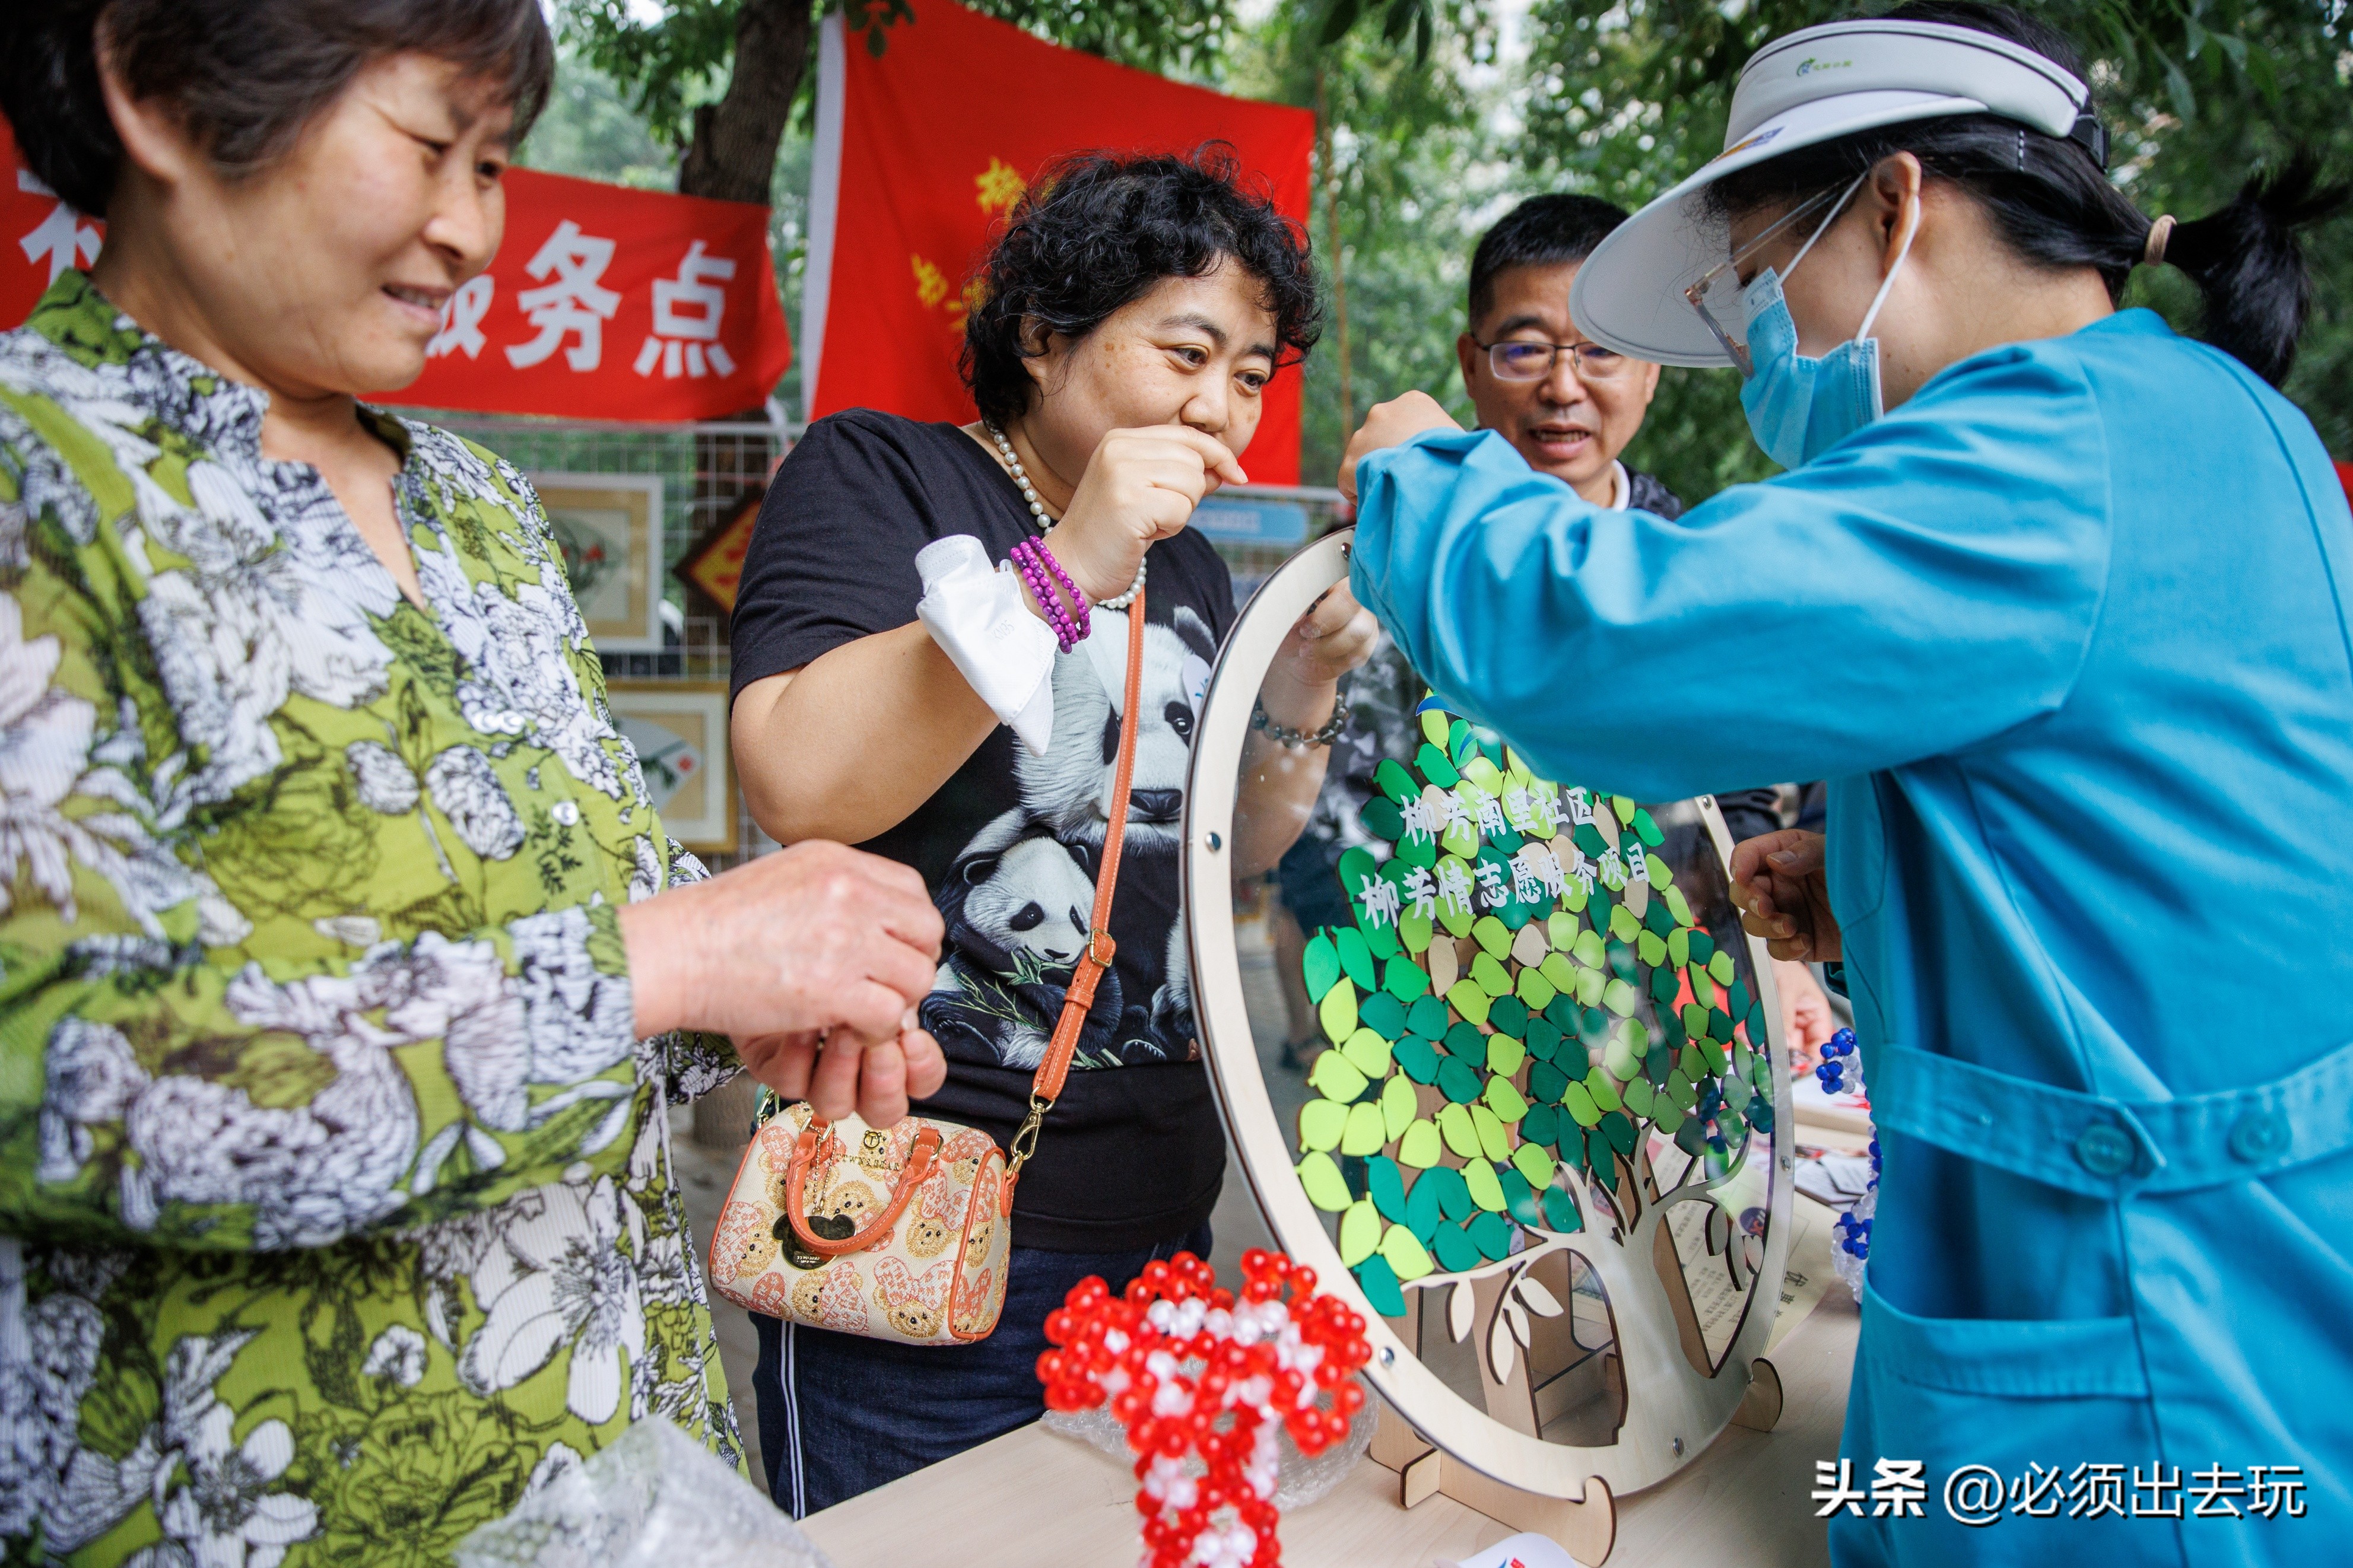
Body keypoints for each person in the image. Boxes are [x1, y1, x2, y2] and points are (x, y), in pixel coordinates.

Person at [1339, 3, 2349, 1562]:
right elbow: (2152, 852)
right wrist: (1883, 880)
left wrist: (1421, 480)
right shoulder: (2222, 419)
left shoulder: (2030, 459)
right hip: (2248, 1280)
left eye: (1757, 283)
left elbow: (1597, 649)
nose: (1759, 347)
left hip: (2124, 1346)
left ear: (1891, 203)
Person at [0, 3, 949, 1561]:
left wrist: (732, 994)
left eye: (496, 166)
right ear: (160, 95)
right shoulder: (39, 473)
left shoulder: (479, 510)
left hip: (617, 1464)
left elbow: (588, 939)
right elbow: (73, 1075)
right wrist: (665, 961)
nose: (471, 230)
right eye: (431, 149)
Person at [726, 148, 1376, 1514]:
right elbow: (796, 778)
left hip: (1158, 1224)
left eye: (1253, 372)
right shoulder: (880, 475)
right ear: (1044, 335)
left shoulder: (1189, 562)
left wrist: (1307, 681)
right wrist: (1071, 562)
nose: (1222, 406)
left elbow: (1232, 858)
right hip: (910, 1208)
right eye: (1188, 350)